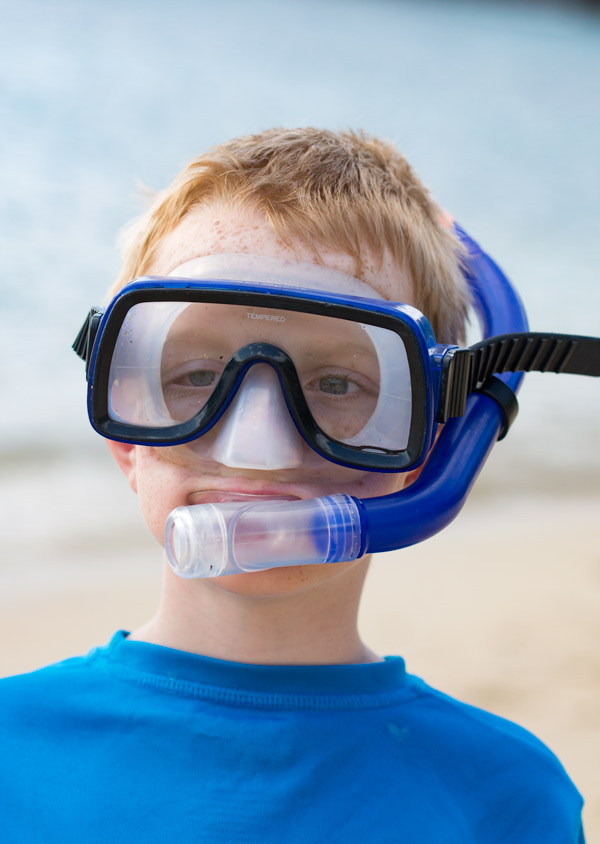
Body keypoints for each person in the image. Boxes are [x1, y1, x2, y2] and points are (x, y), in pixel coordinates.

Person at [0, 129, 586, 842]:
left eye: (337, 383)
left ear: (432, 447)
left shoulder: (505, 798)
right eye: (194, 377)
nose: (260, 451)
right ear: (125, 432)